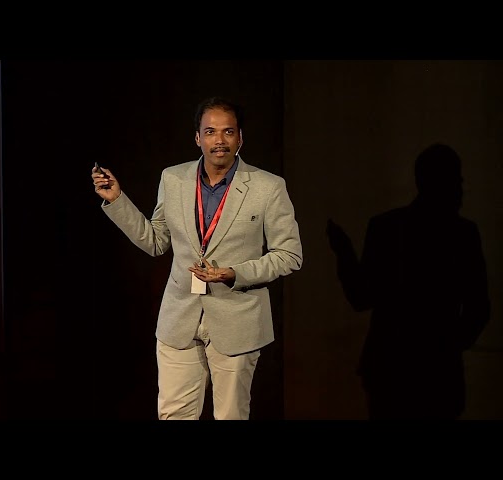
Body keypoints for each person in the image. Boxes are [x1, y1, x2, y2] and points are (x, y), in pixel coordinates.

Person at [91, 96, 303, 420]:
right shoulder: (173, 179)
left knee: (231, 416)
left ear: (240, 138)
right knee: (174, 415)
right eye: (210, 132)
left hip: (236, 320)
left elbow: (289, 255)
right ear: (197, 138)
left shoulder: (268, 187)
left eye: (228, 132)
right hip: (179, 318)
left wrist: (234, 273)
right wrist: (118, 200)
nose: (219, 140)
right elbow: (156, 241)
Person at [326, 143, 490, 420]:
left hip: (390, 369)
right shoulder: (463, 234)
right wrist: (446, 347)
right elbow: (479, 308)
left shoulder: (387, 228)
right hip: (438, 378)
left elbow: (361, 297)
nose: (461, 188)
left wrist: (344, 254)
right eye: (456, 180)